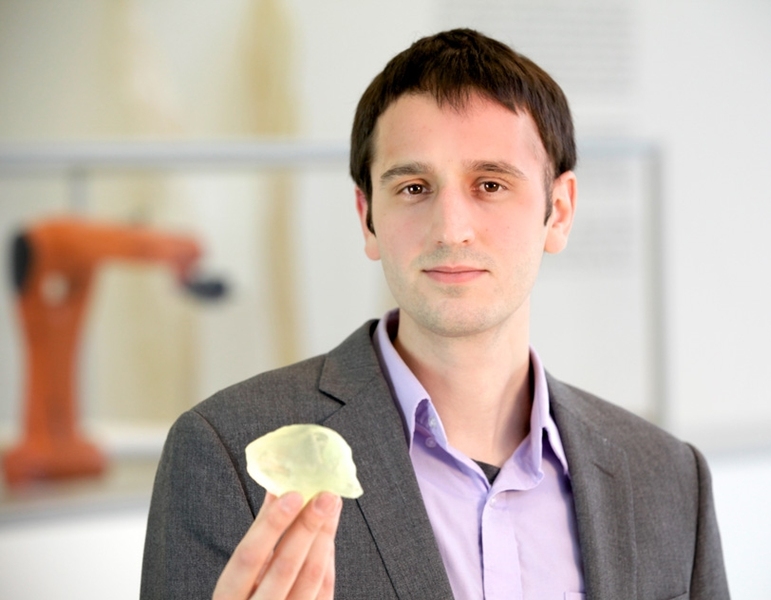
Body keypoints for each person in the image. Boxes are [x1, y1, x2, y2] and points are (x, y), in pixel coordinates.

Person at [141, 28, 729, 600]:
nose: (451, 230)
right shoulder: (226, 452)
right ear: (367, 218)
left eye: (490, 185)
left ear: (560, 211)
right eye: (414, 188)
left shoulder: (669, 478)